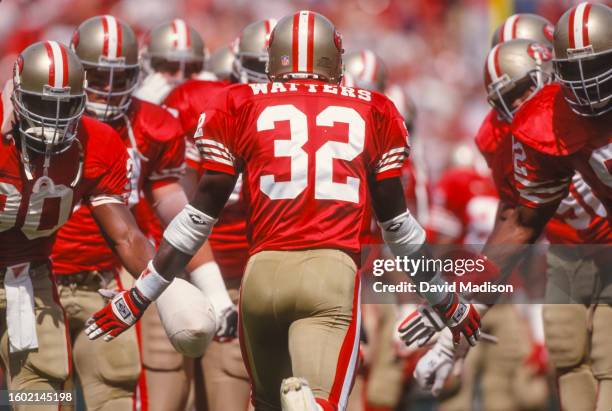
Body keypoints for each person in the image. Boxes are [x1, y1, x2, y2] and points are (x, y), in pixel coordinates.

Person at [86, 10, 482, 411]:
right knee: (324, 401)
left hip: (260, 276)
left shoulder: (238, 103)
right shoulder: (376, 109)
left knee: (264, 404)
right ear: (334, 60)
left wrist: (139, 295)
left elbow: (196, 218)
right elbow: (399, 230)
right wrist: (446, 300)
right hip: (329, 276)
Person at [407, 3, 612, 409]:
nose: (587, 84)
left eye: (596, 67)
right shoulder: (542, 122)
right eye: (574, 71)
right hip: (571, 252)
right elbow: (520, 220)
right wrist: (460, 308)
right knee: (567, 348)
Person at [48, 16, 216, 411]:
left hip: (110, 273)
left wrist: (180, 276)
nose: (107, 89)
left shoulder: (148, 126)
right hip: (36, 276)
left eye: (120, 78)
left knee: (115, 385)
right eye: (97, 76)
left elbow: (164, 206)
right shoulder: (33, 124)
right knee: (40, 391)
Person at [0, 40, 146, 411]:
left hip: (28, 277)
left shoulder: (96, 142)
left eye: (65, 106)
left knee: (42, 386)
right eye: (42, 104)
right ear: (16, 96)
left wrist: (163, 286)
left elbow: (125, 234)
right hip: (31, 276)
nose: (52, 119)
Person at [163, 18, 277, 411]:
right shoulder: (203, 102)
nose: (269, 77)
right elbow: (179, 205)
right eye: (260, 65)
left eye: (277, 66)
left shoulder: (317, 118)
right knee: (173, 389)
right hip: (190, 271)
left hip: (261, 276)